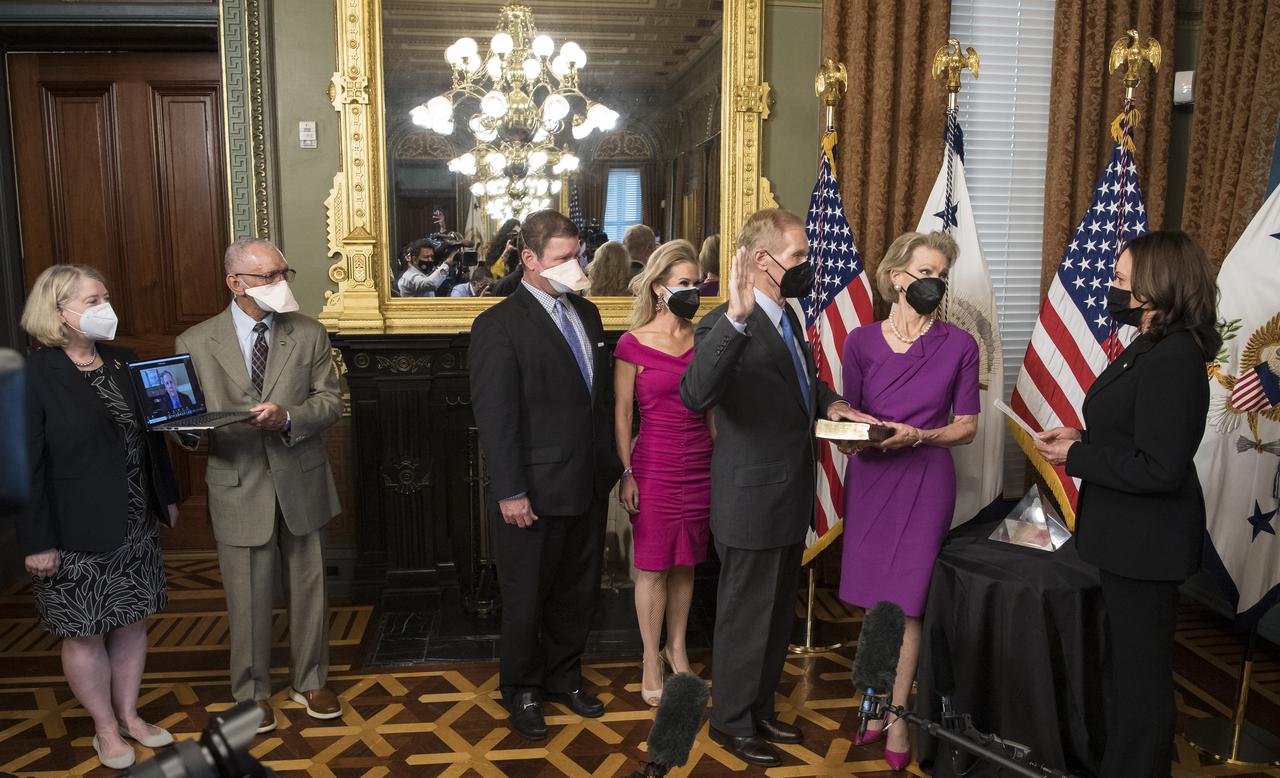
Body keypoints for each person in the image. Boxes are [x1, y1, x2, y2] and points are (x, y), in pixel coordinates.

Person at [680, 208, 863, 767]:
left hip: (788, 494)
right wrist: (734, 320)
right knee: (745, 617)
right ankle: (730, 723)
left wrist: (834, 406)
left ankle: (758, 709)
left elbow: (801, 385)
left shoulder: (787, 316)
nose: (809, 264)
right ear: (762, 261)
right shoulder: (725, 322)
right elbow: (696, 394)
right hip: (751, 498)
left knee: (775, 615)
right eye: (799, 256)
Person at [1035, 231, 1219, 778]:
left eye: (1120, 280)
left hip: (1148, 544)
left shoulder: (1177, 357)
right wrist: (1082, 437)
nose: (1111, 288)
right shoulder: (1150, 343)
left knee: (1141, 684)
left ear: (1156, 284)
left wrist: (1079, 457)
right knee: (1126, 673)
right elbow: (1130, 430)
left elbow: (1161, 469)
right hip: (1125, 539)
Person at [175, 238, 344, 733]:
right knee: (245, 595)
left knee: (310, 587)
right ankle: (251, 691)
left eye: (282, 274)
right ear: (236, 283)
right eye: (268, 276)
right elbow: (186, 421)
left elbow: (330, 403)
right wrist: (182, 429)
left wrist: (288, 416)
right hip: (237, 481)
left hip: (302, 481)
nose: (280, 284)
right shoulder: (194, 341)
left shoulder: (310, 334)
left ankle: (311, 680)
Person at [469, 209, 623, 742]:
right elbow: (497, 416)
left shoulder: (589, 314)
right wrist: (510, 490)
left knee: (576, 591)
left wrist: (613, 467)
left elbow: (596, 401)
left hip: (587, 481)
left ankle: (565, 677)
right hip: (531, 490)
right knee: (527, 596)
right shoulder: (498, 325)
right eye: (563, 258)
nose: (576, 266)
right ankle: (523, 690)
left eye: (577, 255)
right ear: (530, 260)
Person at [18, 264, 180, 770]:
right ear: (59, 312)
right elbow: (23, 465)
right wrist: (36, 540)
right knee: (85, 630)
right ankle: (105, 729)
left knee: (131, 621)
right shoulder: (31, 377)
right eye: (93, 301)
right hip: (72, 528)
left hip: (134, 520)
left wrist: (166, 496)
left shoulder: (123, 361)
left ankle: (130, 716)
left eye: (104, 297)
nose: (105, 307)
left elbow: (153, 438)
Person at [834, 231, 980, 771]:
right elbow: (849, 411)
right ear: (897, 276)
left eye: (942, 275)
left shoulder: (961, 345)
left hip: (926, 480)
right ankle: (871, 705)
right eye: (925, 272)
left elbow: (965, 428)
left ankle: (896, 719)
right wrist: (858, 432)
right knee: (879, 603)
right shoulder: (860, 341)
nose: (934, 283)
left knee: (909, 605)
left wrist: (917, 436)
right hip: (873, 479)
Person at [613, 240, 711, 707]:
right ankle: (651, 657)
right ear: (658, 288)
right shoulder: (632, 343)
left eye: (697, 282)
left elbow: (713, 410)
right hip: (652, 465)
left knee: (686, 563)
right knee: (652, 566)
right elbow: (621, 414)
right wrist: (626, 472)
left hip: (701, 465)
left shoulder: (706, 337)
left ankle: (678, 650)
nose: (694, 290)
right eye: (684, 283)